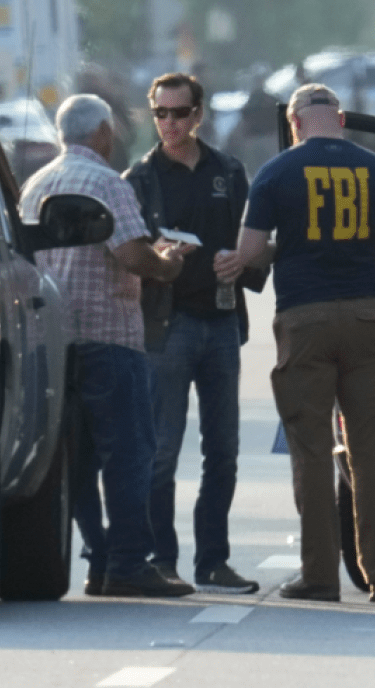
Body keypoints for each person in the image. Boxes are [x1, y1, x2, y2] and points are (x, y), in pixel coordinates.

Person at [215, 83, 375, 604]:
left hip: (304, 319)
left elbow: (250, 251)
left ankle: (320, 577)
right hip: (367, 318)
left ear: (295, 122)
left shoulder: (277, 172)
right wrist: (365, 244)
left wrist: (293, 245)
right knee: (373, 452)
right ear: (342, 118)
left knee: (310, 450)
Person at [20, 94, 195, 598]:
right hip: (111, 338)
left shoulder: (36, 185)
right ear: (100, 133)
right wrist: (169, 262)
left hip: (53, 341)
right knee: (131, 453)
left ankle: (99, 557)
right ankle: (127, 563)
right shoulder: (106, 184)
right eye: (111, 129)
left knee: (75, 459)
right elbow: (132, 255)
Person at [123, 72, 260, 594]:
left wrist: (242, 261)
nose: (171, 124)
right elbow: (124, 255)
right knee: (161, 450)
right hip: (168, 323)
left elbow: (261, 242)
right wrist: (158, 259)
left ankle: (213, 561)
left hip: (221, 321)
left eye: (180, 113)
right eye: (161, 114)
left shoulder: (228, 170)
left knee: (222, 450)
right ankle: (163, 559)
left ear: (199, 115)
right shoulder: (140, 177)